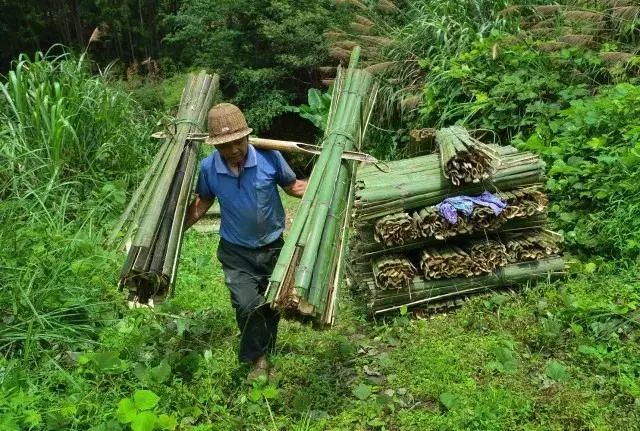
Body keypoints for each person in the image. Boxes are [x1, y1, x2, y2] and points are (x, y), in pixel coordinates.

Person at [184, 103, 306, 381]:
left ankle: (265, 345)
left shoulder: (270, 157)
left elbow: (294, 187)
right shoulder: (208, 168)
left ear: (247, 137)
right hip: (235, 251)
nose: (234, 150)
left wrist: (330, 185)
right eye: (225, 146)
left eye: (238, 142)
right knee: (246, 304)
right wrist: (176, 229)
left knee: (271, 304)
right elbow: (203, 202)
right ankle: (258, 361)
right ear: (215, 146)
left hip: (273, 246)